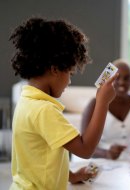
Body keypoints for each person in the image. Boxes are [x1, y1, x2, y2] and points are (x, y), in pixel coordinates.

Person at [9, 17, 117, 189]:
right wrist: (102, 102)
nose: (69, 82)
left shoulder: (27, 101)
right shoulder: (44, 110)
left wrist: (72, 176)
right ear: (55, 69)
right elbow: (85, 149)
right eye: (70, 73)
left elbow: (38, 157)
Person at [81, 59, 130, 160]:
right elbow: (83, 145)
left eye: (127, 78)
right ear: (108, 78)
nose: (122, 82)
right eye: (117, 78)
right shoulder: (94, 104)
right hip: (101, 161)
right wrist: (106, 153)